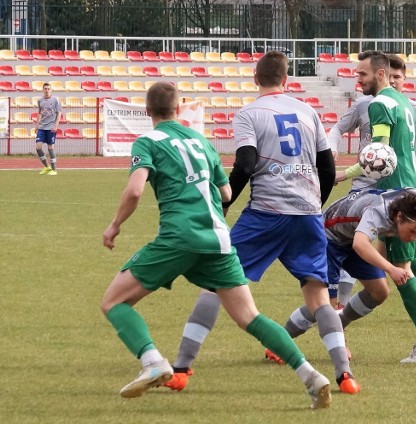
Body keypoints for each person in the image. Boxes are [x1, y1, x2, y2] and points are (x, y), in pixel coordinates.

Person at [99, 81, 331, 409]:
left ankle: (153, 362)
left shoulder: (147, 141)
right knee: (249, 316)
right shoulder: (200, 141)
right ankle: (310, 375)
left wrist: (115, 225)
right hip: (219, 239)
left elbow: (135, 190)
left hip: (179, 237)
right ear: (179, 110)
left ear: (147, 111)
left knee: (114, 302)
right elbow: (225, 194)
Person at [162, 51, 360, 395]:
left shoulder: (249, 114)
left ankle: (181, 368)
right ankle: (345, 375)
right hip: (307, 216)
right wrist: (316, 203)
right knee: (318, 298)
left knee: (215, 283)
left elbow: (245, 165)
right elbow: (327, 166)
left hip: (265, 215)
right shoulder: (307, 111)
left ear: (256, 79)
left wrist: (222, 207)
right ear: (287, 80)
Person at [334, 50, 416, 363]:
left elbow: (377, 154)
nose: (358, 80)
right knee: (397, 257)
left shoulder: (381, 103)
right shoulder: (406, 102)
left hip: (395, 191)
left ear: (379, 74)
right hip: (410, 186)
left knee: (402, 269)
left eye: (363, 74)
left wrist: (344, 174)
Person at [275, 188, 416, 363]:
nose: (412, 239)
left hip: (349, 239)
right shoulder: (378, 213)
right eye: (412, 232)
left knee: (379, 291)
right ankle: (280, 342)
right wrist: (391, 269)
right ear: (399, 217)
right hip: (326, 239)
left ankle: (340, 324)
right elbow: (360, 244)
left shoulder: (415, 211)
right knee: (325, 304)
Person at [328, 54, 416, 318]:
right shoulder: (369, 104)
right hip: (370, 187)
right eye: (391, 76)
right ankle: (341, 305)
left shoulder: (400, 105)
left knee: (400, 253)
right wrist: (333, 151)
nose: (394, 81)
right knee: (377, 248)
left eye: (397, 77)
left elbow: (386, 153)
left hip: (395, 188)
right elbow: (339, 129)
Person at [35, 82, 62, 176]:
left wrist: (56, 125)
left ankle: (54, 169)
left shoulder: (55, 100)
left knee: (50, 148)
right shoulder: (40, 101)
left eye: (48, 89)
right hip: (42, 127)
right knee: (38, 147)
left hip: (51, 128)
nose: (47, 90)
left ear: (51, 90)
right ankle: (47, 167)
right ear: (43, 90)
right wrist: (37, 125)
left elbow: (59, 113)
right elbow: (39, 113)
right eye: (45, 89)